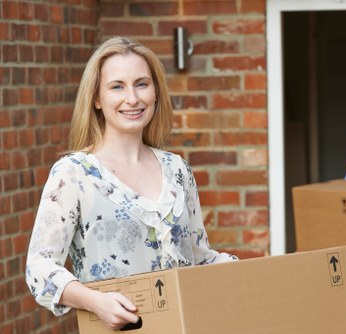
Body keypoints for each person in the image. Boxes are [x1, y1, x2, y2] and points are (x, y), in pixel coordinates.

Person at [25, 36, 237, 330]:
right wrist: (94, 301)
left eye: (141, 84)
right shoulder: (73, 174)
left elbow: (199, 259)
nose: (133, 98)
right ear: (97, 99)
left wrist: (256, 274)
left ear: (155, 91)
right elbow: (39, 269)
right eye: (117, 87)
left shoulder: (177, 170)